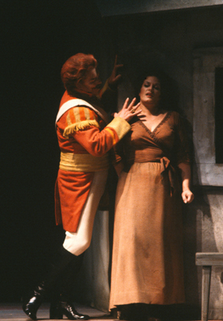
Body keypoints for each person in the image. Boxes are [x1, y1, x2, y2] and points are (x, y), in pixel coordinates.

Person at [22, 53, 140, 320]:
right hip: (80, 180)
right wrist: (121, 120)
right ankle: (36, 294)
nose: (97, 82)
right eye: (92, 79)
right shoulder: (75, 109)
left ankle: (60, 303)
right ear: (78, 83)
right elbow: (97, 144)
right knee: (79, 241)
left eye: (97, 77)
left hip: (93, 176)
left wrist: (109, 84)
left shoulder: (83, 98)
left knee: (80, 244)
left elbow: (96, 105)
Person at [108, 72, 194, 320]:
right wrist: (125, 174)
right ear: (139, 87)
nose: (151, 89)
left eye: (157, 86)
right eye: (147, 84)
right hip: (132, 183)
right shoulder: (127, 117)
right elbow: (113, 150)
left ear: (162, 92)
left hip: (163, 186)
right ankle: (130, 301)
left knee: (160, 243)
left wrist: (186, 186)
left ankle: (161, 302)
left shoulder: (174, 119)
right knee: (132, 242)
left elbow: (183, 156)